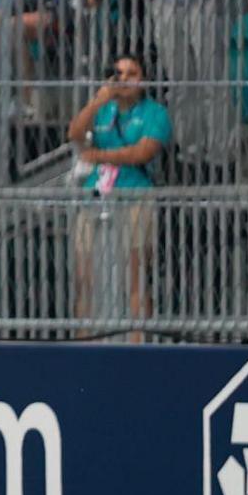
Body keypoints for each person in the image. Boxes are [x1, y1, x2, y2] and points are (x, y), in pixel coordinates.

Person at [69, 54, 172, 333]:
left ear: (143, 79)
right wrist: (96, 101)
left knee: (134, 277)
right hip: (97, 195)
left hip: (135, 194)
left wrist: (98, 155)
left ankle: (140, 344)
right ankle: (84, 344)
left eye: (131, 73)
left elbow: (143, 151)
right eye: (119, 73)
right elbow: (75, 134)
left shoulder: (154, 113)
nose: (124, 79)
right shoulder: (103, 111)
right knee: (85, 277)